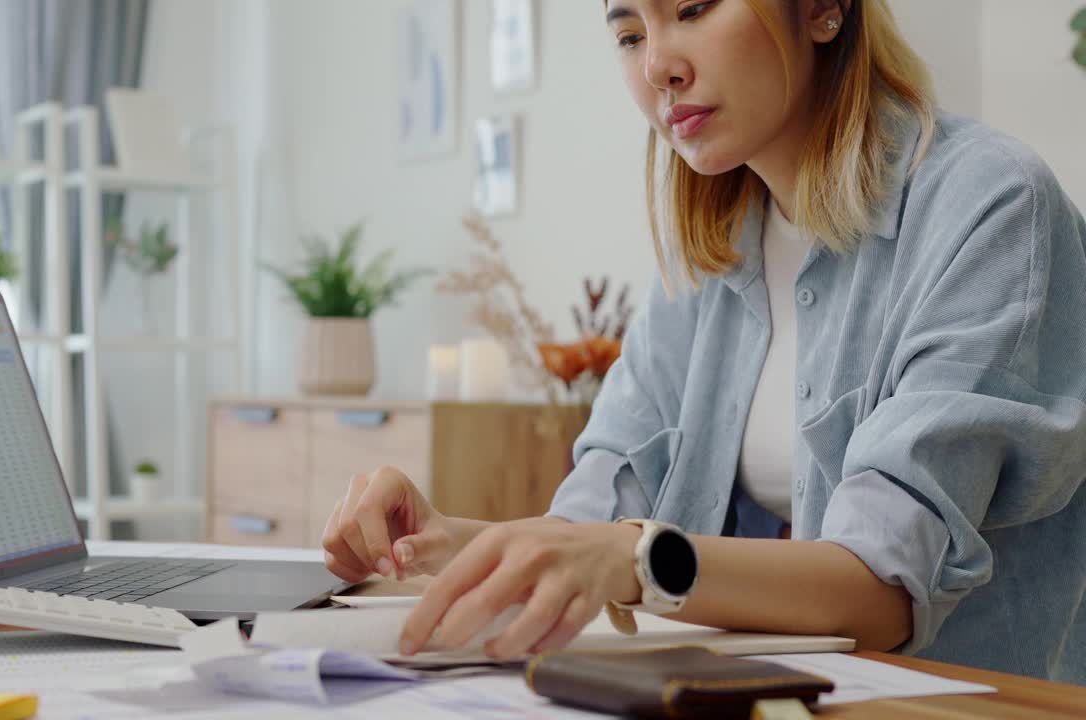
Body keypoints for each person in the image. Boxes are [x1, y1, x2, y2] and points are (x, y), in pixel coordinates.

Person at [322, 0, 1086, 684]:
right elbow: (592, 530)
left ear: (822, 9)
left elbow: (883, 590)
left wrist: (631, 559)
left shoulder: (990, 204)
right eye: (629, 33)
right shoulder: (704, 257)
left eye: (692, 8)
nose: (657, 64)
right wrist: (451, 543)